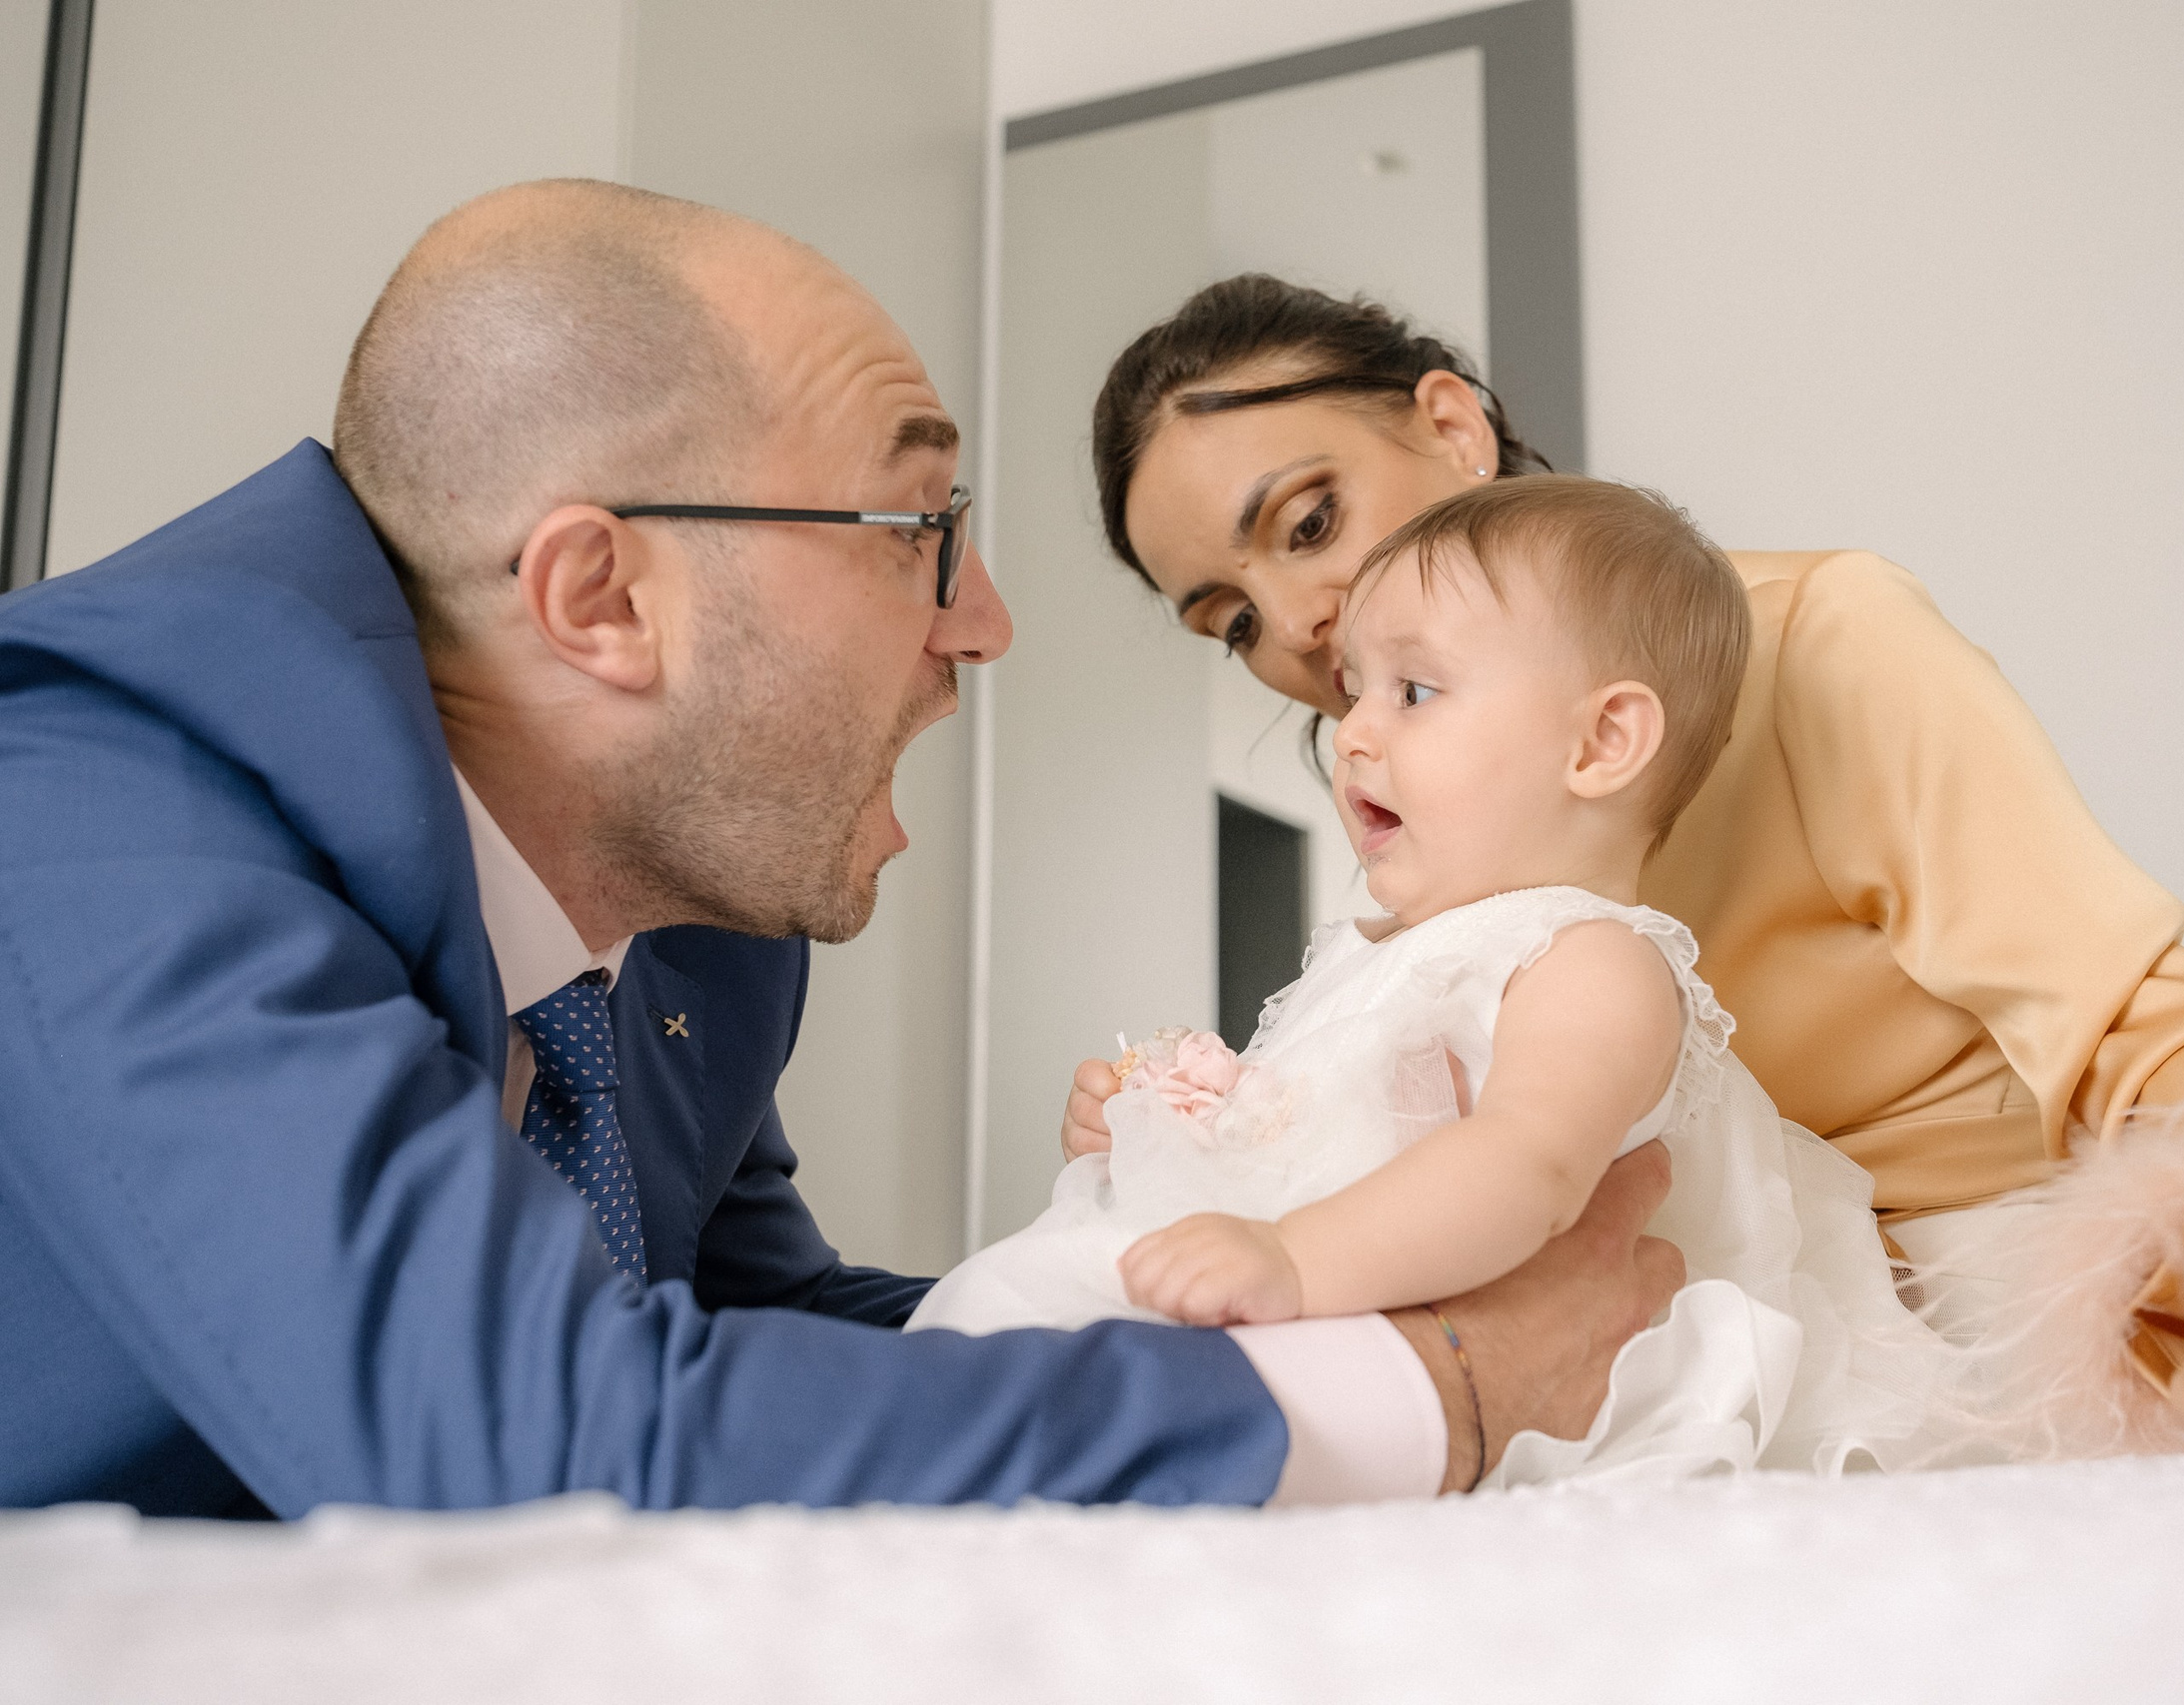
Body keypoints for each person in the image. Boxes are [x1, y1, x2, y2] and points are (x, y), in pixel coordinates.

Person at [0, 183, 1682, 1518]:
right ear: (603, 600)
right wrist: (1422, 1389)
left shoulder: (706, 923)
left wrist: (1188, 1277)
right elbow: (533, 1432)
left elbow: (745, 1334)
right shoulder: (95, 809)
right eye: (920, 533)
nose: (988, 624)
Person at [1071, 273, 2184, 1460]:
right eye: (1229, 617)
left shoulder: (1822, 643)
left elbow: (2132, 1021)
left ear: (1454, 428)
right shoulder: (1416, 826)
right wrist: (1186, 1126)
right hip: (1669, 1345)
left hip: (1956, 1327)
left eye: (1310, 521)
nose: (1297, 626)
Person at [914, 476, 1952, 1489]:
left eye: (1413, 692)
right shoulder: (1377, 951)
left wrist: (1292, 1258)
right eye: (1355, 690)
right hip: (1359, 1294)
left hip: (1504, 1334)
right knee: (1014, 1302)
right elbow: (1329, 1135)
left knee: (1053, 1321)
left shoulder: (1591, 959)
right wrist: (1165, 1126)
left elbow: (1524, 1169)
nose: (1355, 732)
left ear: (1601, 743)